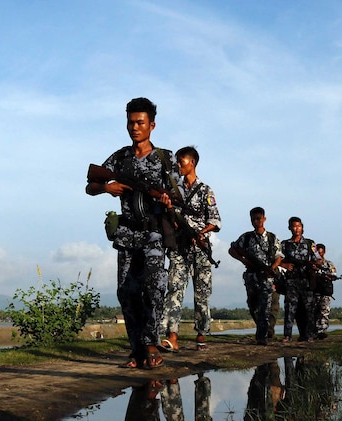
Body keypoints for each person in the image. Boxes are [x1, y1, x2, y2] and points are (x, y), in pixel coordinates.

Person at [86, 97, 177, 369]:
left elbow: (176, 194)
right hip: (127, 233)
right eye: (131, 122)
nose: (135, 127)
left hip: (153, 235)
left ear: (152, 125)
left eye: (140, 122)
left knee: (154, 288)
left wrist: (167, 201)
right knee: (126, 292)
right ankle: (137, 350)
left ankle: (151, 344)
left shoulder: (165, 158)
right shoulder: (120, 157)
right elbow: (90, 185)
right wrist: (106, 188)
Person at [160, 146, 221, 352]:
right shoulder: (174, 190)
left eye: (182, 161)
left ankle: (201, 333)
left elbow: (215, 220)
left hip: (201, 249)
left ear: (192, 162)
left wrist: (200, 234)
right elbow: (169, 216)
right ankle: (172, 336)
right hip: (179, 247)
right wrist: (168, 207)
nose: (178, 165)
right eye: (177, 161)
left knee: (201, 294)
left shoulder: (206, 190)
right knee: (174, 289)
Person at [228, 207, 283, 345]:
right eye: (254, 219)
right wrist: (244, 260)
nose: (257, 221)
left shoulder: (272, 238)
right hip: (252, 276)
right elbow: (232, 250)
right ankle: (262, 331)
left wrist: (271, 268)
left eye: (259, 218)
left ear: (264, 219)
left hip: (267, 277)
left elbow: (279, 256)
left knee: (266, 306)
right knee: (252, 305)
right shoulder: (246, 238)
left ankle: (262, 336)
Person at [278, 217, 321, 342]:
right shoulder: (285, 244)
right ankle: (287, 335)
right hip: (291, 280)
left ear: (302, 227)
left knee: (309, 309)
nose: (296, 229)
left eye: (299, 226)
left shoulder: (309, 243)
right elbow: (277, 259)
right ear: (289, 228)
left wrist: (314, 265)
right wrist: (284, 265)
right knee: (290, 309)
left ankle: (310, 335)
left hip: (306, 280)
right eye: (294, 226)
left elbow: (318, 258)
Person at [312, 243, 338, 339]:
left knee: (324, 312)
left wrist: (328, 276)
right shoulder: (311, 264)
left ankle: (322, 331)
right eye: (318, 253)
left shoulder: (329, 264)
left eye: (321, 253)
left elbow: (334, 275)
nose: (320, 255)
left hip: (325, 291)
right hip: (314, 291)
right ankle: (313, 331)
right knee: (313, 312)